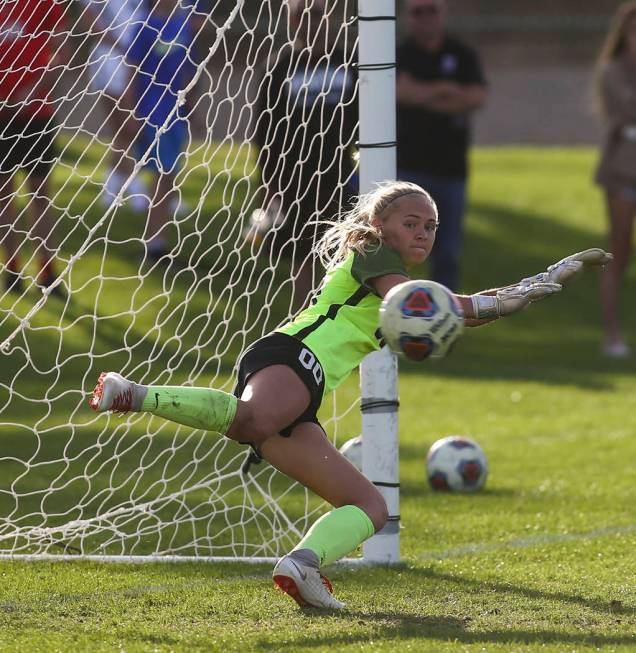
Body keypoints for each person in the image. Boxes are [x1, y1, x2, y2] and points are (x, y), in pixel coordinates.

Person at [88, 180, 611, 609]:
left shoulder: (404, 291)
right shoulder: (372, 255)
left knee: (370, 506)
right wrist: (504, 298)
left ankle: (304, 565)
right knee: (250, 422)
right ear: (380, 225)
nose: (424, 233)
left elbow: (451, 309)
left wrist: (537, 285)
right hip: (290, 357)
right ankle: (133, 394)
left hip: (307, 390)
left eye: (431, 226)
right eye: (412, 222)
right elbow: (439, 305)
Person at [252, 0, 357, 310]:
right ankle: (304, 316)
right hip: (296, 177)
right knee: (304, 252)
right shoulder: (279, 66)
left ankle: (342, 314)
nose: (314, 22)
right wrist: (269, 184)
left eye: (320, 14)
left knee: (348, 248)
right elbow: (265, 129)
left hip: (344, 172)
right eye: (305, 15)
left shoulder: (349, 62)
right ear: (292, 20)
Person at [396, 0, 487, 292]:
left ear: (443, 11)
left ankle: (444, 319)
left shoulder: (462, 54)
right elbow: (400, 93)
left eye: (431, 9)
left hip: (451, 171)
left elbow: (476, 98)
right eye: (417, 11)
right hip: (405, 170)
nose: (425, 17)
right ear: (406, 15)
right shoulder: (399, 54)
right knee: (395, 249)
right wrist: (444, 89)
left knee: (446, 252)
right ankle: (390, 313)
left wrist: (421, 94)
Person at [0, 0, 67, 295]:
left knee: (39, 194)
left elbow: (61, 54)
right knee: (4, 194)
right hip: (1, 115)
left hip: (36, 113)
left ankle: (47, 273)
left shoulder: (46, 4)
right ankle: (12, 270)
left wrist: (31, 91)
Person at [126, 0, 198, 262]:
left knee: (168, 178)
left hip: (175, 112)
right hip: (152, 112)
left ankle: (158, 240)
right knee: (161, 176)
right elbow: (132, 69)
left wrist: (194, 110)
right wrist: (132, 111)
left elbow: (189, 70)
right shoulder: (144, 25)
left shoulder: (182, 25)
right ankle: (154, 243)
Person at [593, 1, 636, 358]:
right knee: (619, 252)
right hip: (623, 171)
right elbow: (625, 109)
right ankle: (612, 335)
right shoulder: (612, 71)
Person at [78, 0, 148, 209]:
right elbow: (89, 21)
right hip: (111, 59)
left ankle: (111, 188)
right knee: (127, 126)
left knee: (124, 131)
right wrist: (122, 45)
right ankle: (135, 189)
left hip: (138, 59)